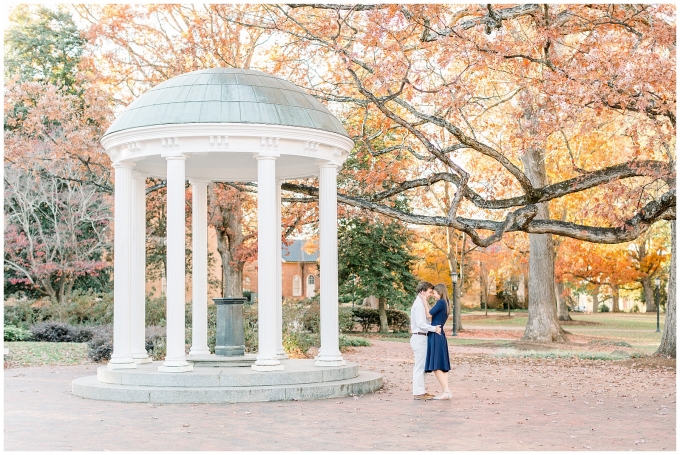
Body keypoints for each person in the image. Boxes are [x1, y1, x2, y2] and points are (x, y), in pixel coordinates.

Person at [410, 280, 441, 400]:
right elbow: (421, 324)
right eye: (429, 292)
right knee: (419, 366)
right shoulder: (418, 305)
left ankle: (421, 391)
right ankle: (418, 393)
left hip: (422, 337)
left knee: (422, 366)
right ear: (422, 291)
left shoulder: (421, 303)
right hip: (419, 337)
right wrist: (434, 329)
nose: (431, 294)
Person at [423, 283, 452, 400]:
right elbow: (432, 315)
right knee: (442, 365)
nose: (433, 295)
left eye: (434, 293)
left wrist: (424, 300)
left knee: (436, 366)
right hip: (440, 334)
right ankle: (446, 391)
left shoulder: (440, 302)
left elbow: (428, 315)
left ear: (439, 292)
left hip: (435, 334)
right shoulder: (445, 303)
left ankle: (446, 391)